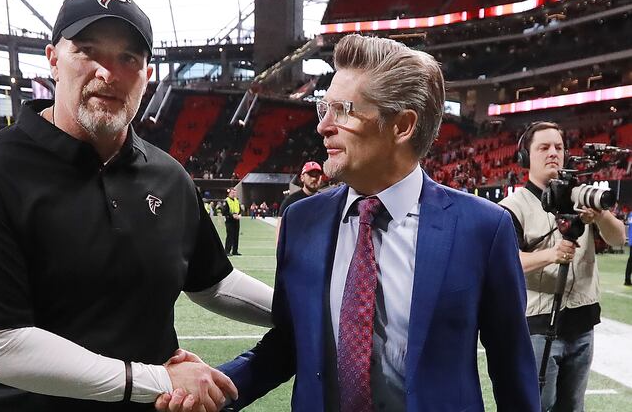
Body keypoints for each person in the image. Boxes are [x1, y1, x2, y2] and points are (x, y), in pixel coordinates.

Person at [160, 34, 539, 411]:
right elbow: (291, 343)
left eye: (342, 110)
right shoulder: (302, 221)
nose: (323, 126)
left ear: (402, 126)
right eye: (323, 109)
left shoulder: (483, 229)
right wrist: (214, 389)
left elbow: (511, 368)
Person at [0, 0, 272, 412]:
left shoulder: (168, 175)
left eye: (128, 58)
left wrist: (304, 307)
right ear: (53, 60)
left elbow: (214, 283)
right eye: (88, 51)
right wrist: (158, 380)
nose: (108, 73)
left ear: (147, 76)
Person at [499, 121, 625, 412]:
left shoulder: (582, 195)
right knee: (536, 405)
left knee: (572, 407)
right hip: (538, 324)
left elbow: (618, 237)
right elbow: (508, 261)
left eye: (558, 147)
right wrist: (552, 254)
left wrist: (600, 216)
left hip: (582, 323)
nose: (553, 153)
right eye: (543, 147)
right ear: (525, 157)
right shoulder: (513, 206)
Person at [222, 188, 241, 256]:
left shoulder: (236, 200)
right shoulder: (226, 201)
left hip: (236, 220)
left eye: (234, 193)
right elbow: (224, 211)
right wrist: (232, 216)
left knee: (236, 236)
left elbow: (240, 209)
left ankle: (235, 251)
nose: (234, 194)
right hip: (230, 221)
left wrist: (239, 215)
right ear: (229, 193)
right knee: (230, 236)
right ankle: (227, 251)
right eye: (232, 193)